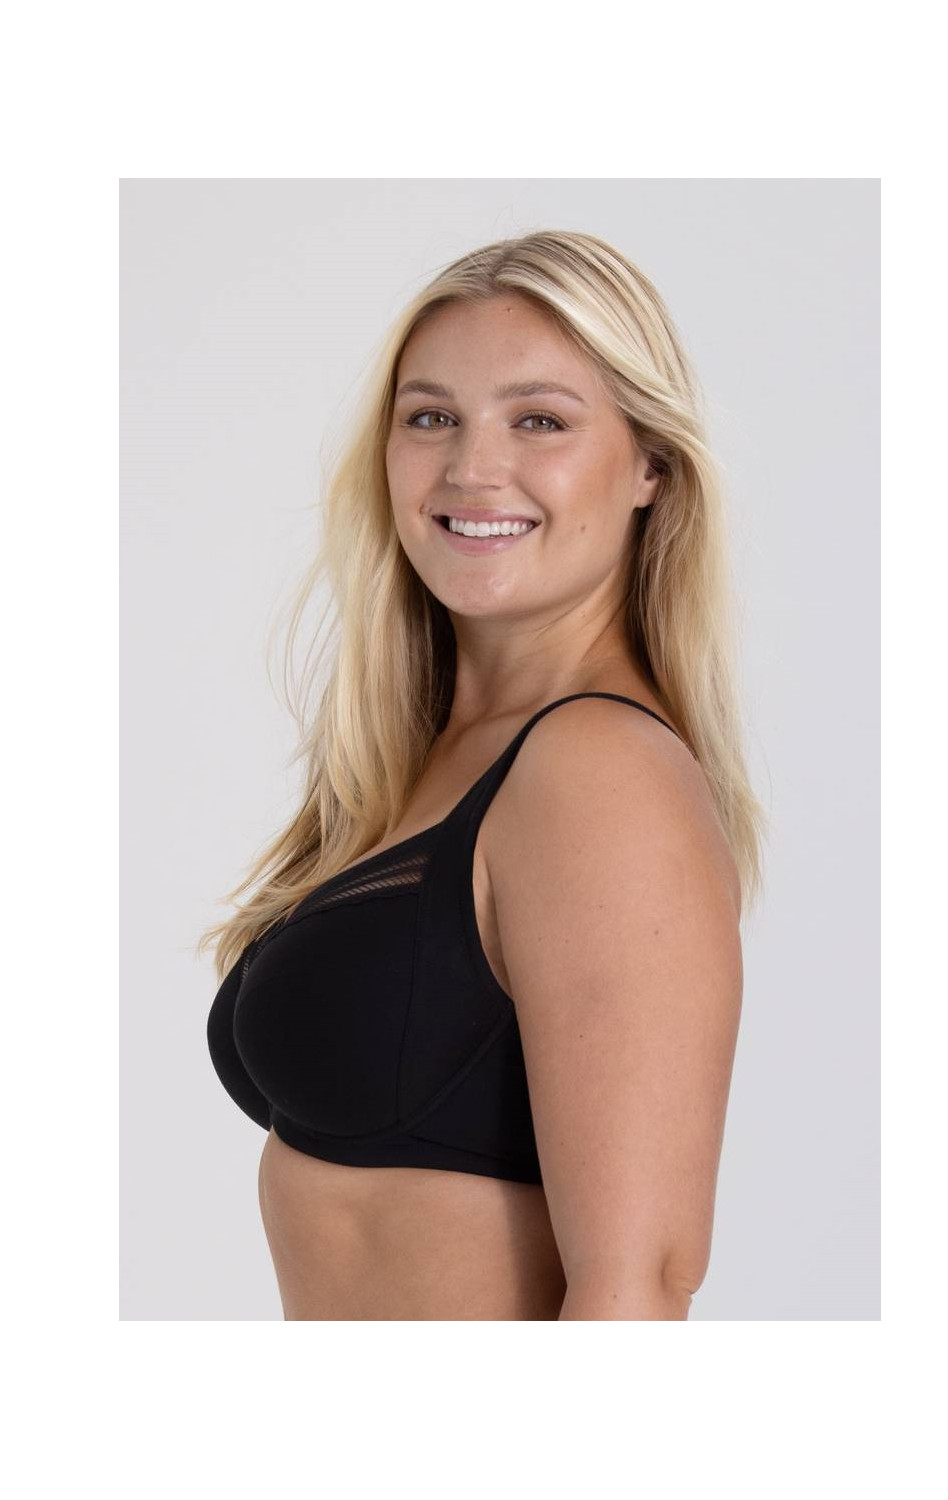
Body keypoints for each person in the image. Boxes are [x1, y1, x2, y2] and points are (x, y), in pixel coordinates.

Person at [201, 228, 766, 1320]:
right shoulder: (431, 758)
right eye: (431, 418)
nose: (470, 468)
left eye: (539, 420)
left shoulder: (597, 772)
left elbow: (638, 1286)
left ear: (650, 465)